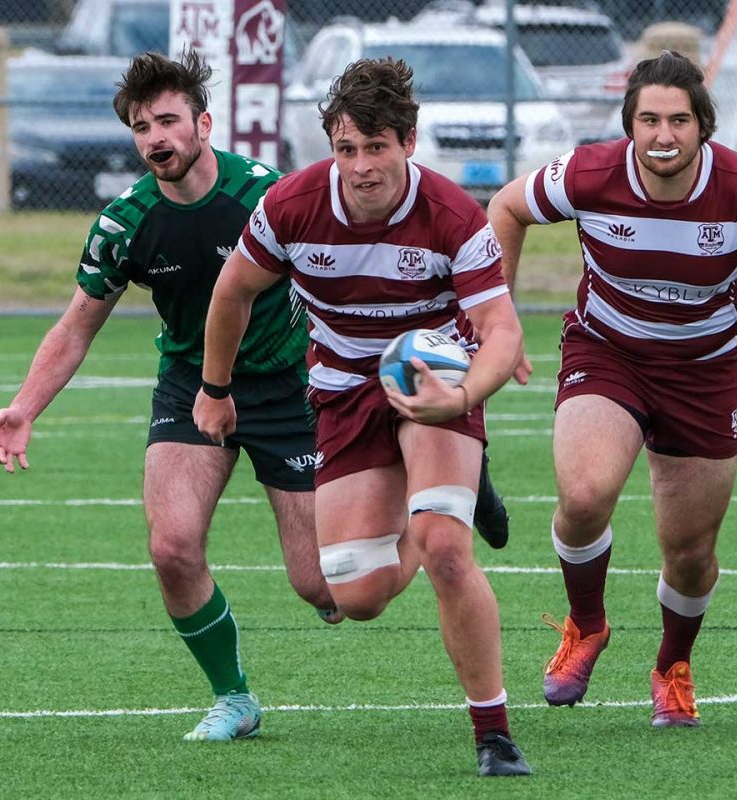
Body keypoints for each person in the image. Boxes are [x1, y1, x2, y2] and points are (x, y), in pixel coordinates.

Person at [0, 51, 343, 741]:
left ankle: (436, 507)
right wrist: (25, 407)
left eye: (169, 120)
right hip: (188, 386)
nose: (156, 137)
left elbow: (340, 271)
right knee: (172, 546)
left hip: (284, 388)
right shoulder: (127, 221)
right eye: (141, 126)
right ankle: (234, 698)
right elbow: (76, 324)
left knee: (323, 588)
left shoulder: (267, 197)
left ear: (203, 123)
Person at [193, 57, 531, 777]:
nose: (362, 166)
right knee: (355, 592)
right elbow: (232, 293)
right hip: (344, 390)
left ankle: (494, 734)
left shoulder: (451, 213)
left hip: (434, 378)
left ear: (409, 141)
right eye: (347, 149)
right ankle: (455, 495)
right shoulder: (291, 206)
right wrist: (214, 388)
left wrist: (464, 398)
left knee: (444, 550)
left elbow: (501, 331)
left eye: (377, 147)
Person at [488, 50, 737, 727]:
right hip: (609, 354)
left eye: (679, 120)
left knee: (690, 555)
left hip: (703, 372)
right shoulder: (589, 172)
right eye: (648, 120)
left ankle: (672, 666)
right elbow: (506, 208)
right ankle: (587, 624)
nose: (663, 135)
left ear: (703, 127)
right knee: (582, 497)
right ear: (630, 125)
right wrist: (501, 316)